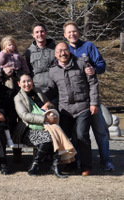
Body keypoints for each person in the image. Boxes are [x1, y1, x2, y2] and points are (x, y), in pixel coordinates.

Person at [63, 21, 114, 172]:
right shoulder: (63, 50)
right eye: (69, 32)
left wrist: (95, 70)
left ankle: (106, 161)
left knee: (100, 130)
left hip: (91, 97)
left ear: (78, 32)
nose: (72, 34)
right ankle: (78, 161)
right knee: (78, 132)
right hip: (74, 101)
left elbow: (102, 65)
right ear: (64, 35)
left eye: (74, 31)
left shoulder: (88, 46)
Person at [44, 42, 99, 176]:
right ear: (56, 54)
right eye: (60, 51)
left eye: (65, 50)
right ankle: (71, 164)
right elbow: (51, 91)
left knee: (81, 135)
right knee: (65, 137)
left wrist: (94, 103)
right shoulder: (53, 71)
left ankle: (86, 166)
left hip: (83, 107)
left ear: (69, 51)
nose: (63, 53)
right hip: (65, 110)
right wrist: (43, 101)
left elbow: (93, 83)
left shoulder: (82, 64)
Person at [14, 72, 76, 178]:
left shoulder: (38, 91)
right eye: (23, 82)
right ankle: (36, 164)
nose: (27, 84)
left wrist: (49, 104)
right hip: (28, 129)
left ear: (32, 82)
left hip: (46, 126)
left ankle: (54, 166)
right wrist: (45, 118)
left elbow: (49, 106)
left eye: (29, 81)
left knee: (56, 134)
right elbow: (24, 115)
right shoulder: (18, 98)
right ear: (19, 84)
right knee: (50, 137)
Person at [25, 23, 56, 92]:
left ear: (46, 33)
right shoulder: (29, 51)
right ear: (33, 35)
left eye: (42, 31)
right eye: (37, 32)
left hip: (55, 88)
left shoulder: (56, 49)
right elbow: (28, 71)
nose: (40, 34)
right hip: (38, 90)